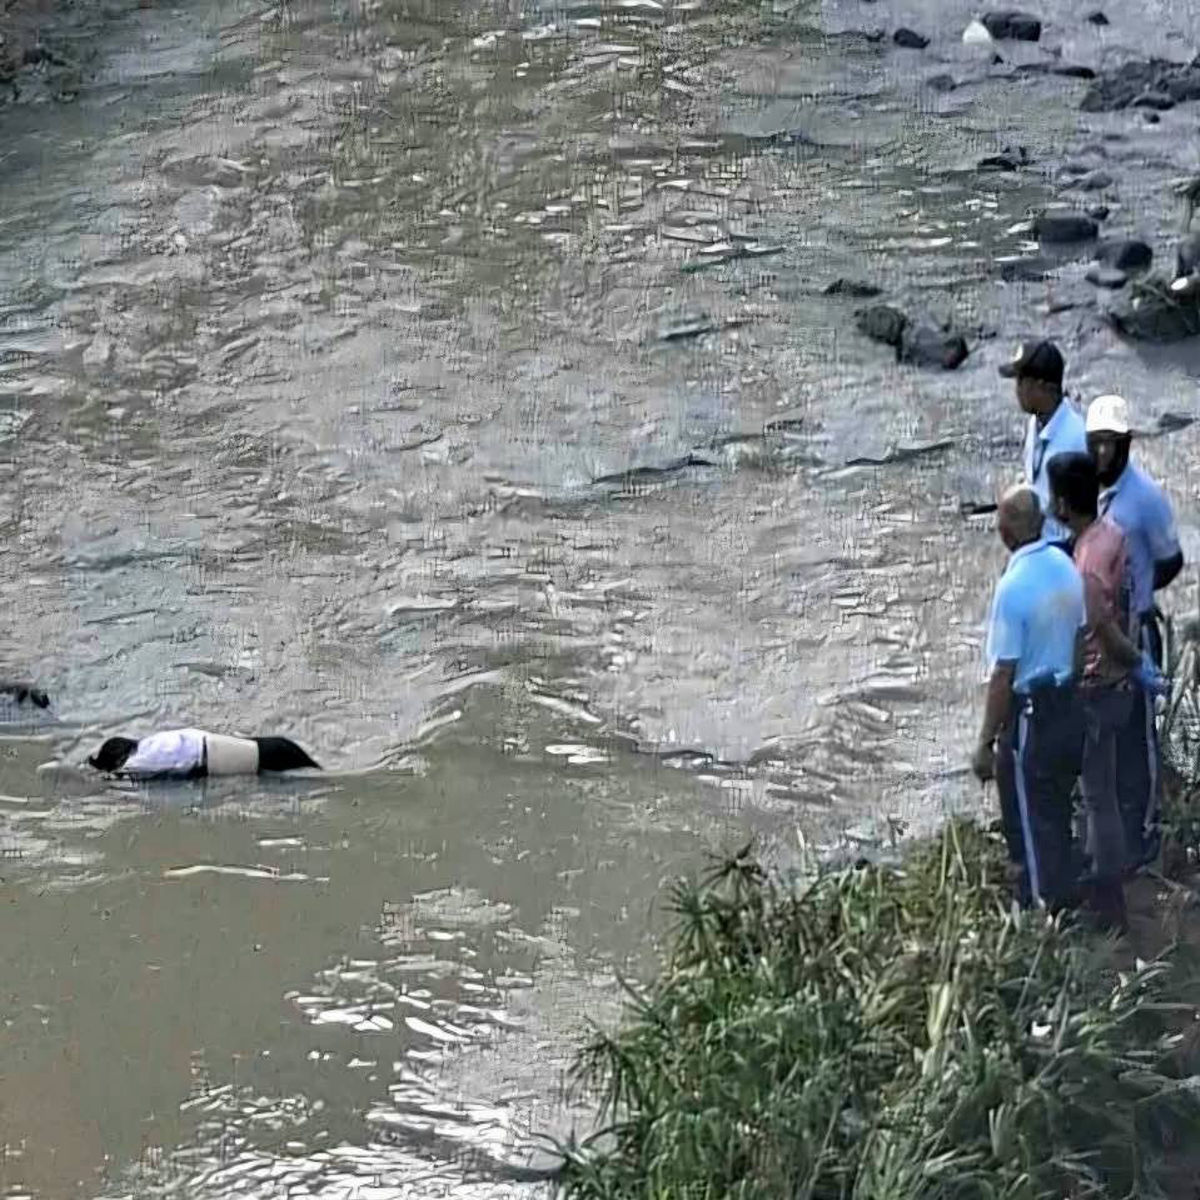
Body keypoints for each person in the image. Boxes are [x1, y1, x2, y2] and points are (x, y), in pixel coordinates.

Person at [1047, 453, 1149, 931]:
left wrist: (1133, 661)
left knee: (1096, 796)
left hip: (1097, 686)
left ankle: (1108, 900)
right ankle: (1105, 884)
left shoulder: (1085, 566)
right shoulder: (1110, 534)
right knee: (1101, 791)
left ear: (1063, 505)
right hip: (1116, 685)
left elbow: (1102, 630)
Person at [972, 485, 1086, 909]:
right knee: (1058, 811)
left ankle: (1046, 913)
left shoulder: (1012, 587)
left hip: (1032, 719)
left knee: (1028, 821)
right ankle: (1067, 894)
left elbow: (1003, 674)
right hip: (1069, 706)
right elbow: (1081, 638)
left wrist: (985, 742)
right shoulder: (1066, 566)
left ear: (1005, 533)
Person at [1086, 394, 1180, 869]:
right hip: (1101, 634)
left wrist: (1140, 594)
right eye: (1096, 443)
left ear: (1127, 444)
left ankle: (1143, 834)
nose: (1103, 453)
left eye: (1112, 443)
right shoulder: (1088, 491)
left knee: (1138, 737)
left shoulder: (1144, 499)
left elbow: (1171, 559)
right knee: (1107, 735)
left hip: (1136, 630)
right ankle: (1114, 830)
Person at [999, 339, 1087, 549]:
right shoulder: (1035, 422)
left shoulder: (1077, 438)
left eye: (1020, 382)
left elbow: (1091, 515)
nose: (1016, 390)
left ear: (1041, 387)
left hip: (1062, 547)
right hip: (1036, 539)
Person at [88, 728, 320, 778]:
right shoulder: (149, 743)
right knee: (312, 770)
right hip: (221, 747)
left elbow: (120, 776)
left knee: (314, 777)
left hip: (218, 755)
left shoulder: (138, 761)